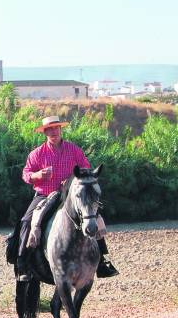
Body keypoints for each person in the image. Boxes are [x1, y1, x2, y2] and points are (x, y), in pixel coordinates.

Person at [16, 116, 118, 281]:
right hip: (44, 195)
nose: (53, 132)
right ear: (45, 132)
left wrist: (71, 179)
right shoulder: (36, 154)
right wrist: (38, 175)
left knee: (94, 217)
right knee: (27, 221)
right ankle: (23, 264)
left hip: (71, 196)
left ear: (60, 130)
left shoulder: (74, 150)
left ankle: (102, 262)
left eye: (56, 128)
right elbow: (26, 175)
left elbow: (86, 169)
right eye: (50, 129)